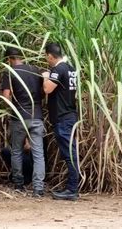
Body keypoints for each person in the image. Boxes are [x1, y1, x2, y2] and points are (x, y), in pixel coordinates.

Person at [1, 47, 45, 197]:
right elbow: (43, 91)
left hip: (18, 118)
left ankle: (19, 184)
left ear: (9, 59)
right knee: (38, 153)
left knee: (16, 151)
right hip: (36, 116)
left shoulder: (9, 72)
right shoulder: (35, 70)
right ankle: (38, 189)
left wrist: (12, 105)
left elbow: (6, 97)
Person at [42, 42, 80, 201]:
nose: (47, 60)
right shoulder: (71, 69)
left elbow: (47, 89)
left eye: (46, 57)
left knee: (69, 154)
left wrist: (45, 77)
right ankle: (71, 187)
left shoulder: (58, 69)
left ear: (51, 56)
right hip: (69, 115)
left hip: (63, 118)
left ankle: (72, 189)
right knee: (70, 152)